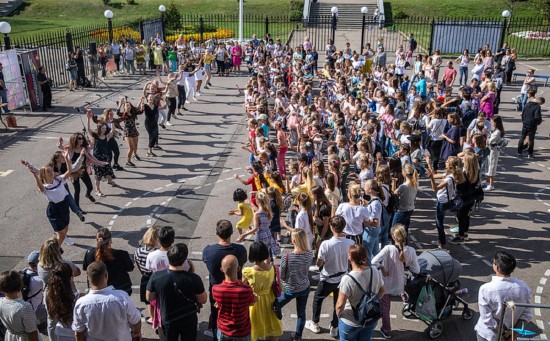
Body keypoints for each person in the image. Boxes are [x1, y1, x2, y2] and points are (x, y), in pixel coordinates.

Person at [305, 216, 354, 338]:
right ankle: (334, 326)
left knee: (318, 298)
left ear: (331, 227)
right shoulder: (351, 243)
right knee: (338, 302)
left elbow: (319, 263)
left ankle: (315, 322)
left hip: (327, 278)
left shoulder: (326, 244)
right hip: (343, 278)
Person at [146, 243, 207, 341]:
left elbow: (149, 298)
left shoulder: (156, 277)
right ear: (184, 260)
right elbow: (203, 300)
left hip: (168, 318)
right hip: (188, 318)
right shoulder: (194, 279)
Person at [371, 224, 419, 339]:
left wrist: (382, 268)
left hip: (386, 285)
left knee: (385, 308)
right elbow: (416, 269)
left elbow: (373, 261)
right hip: (400, 284)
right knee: (402, 289)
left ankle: (386, 330)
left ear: (393, 237)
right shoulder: (411, 251)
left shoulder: (388, 249)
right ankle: (405, 301)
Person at [73, 261, 142, 341]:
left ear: (87, 277)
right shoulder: (122, 297)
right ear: (106, 275)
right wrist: (137, 333)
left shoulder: (81, 304)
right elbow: (135, 320)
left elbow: (78, 332)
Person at [202, 220, 247, 340]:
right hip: (236, 290)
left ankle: (218, 334)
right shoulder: (241, 250)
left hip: (217, 291)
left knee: (217, 315)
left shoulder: (208, 251)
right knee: (238, 315)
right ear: (232, 232)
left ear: (216, 232)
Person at [474, 251, 532, 341]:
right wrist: (512, 333)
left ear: (496, 267)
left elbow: (487, 319)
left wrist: (502, 331)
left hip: (489, 335)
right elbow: (526, 315)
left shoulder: (486, 289)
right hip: (509, 336)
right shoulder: (524, 287)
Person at [21, 152, 75, 246]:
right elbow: (40, 187)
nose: (50, 173)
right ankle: (54, 252)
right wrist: (35, 176)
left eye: (51, 171)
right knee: (62, 234)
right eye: (48, 172)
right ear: (44, 175)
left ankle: (56, 246)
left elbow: (69, 171)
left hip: (64, 206)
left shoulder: (59, 179)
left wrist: (66, 159)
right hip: (54, 210)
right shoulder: (45, 187)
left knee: (65, 229)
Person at [336, 244, 385, 341]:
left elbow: (340, 305)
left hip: (350, 321)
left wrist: (339, 316)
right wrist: (372, 302)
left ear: (350, 258)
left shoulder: (347, 279)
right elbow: (382, 290)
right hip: (370, 318)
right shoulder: (374, 270)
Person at [37, 238, 81, 340]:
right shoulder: (65, 264)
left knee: (52, 321)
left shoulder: (40, 265)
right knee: (71, 318)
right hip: (67, 293)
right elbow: (77, 272)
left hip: (49, 295)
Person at [242, 242, 283, 341]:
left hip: (254, 302)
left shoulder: (248, 271)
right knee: (273, 326)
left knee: (254, 327)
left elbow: (243, 288)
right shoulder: (273, 268)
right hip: (270, 300)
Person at [279, 229, 314, 341]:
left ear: (293, 241)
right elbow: (307, 269)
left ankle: (276, 327)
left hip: (289, 288)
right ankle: (298, 336)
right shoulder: (309, 254)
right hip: (304, 286)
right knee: (301, 312)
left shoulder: (287, 257)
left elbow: (282, 274)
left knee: (276, 305)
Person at [212, 255, 256, 341]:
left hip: (224, 330)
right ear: (238, 268)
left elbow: (218, 302)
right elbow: (252, 301)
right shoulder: (246, 290)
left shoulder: (216, 289)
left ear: (222, 270)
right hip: (242, 331)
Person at [426, 156, 464, 249]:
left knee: (439, 223)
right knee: (439, 221)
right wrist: (429, 164)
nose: (445, 162)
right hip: (446, 200)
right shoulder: (449, 174)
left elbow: (435, 188)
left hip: (442, 202)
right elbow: (434, 175)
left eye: (447, 161)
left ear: (450, 165)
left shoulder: (448, 179)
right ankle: (441, 241)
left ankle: (442, 243)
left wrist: (431, 179)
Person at [82, 227, 134, 295]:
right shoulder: (122, 254)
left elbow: (86, 269)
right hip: (121, 290)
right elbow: (130, 268)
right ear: (110, 240)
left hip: (99, 291)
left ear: (97, 240)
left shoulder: (89, 254)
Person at [0, 270, 39, 341]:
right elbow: (32, 331)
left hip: (10, 336)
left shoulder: (1, 302)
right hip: (23, 338)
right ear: (19, 285)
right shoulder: (25, 307)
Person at [86, 110, 117, 197]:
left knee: (108, 171)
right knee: (98, 175)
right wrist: (88, 118)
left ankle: (110, 181)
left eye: (105, 128)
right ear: (99, 129)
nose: (104, 130)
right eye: (102, 128)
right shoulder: (96, 137)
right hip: (97, 159)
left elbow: (112, 130)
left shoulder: (106, 137)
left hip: (105, 158)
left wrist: (111, 121)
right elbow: (89, 129)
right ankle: (97, 190)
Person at [44, 263, 78, 340]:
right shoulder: (76, 297)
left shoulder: (48, 294)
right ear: (70, 278)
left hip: (58, 334)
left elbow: (51, 317)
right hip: (73, 335)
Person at [133, 226, 158, 325]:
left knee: (148, 300)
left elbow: (137, 263)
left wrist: (142, 272)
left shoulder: (138, 251)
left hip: (145, 277)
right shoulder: (156, 252)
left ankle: (152, 318)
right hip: (155, 276)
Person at [391, 164, 418, 232]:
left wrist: (393, 182)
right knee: (404, 229)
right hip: (410, 209)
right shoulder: (415, 183)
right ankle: (404, 242)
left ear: (405, 173)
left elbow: (393, 193)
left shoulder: (403, 186)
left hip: (402, 210)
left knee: (395, 229)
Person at [517, 89, 543, 158]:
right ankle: (530, 153)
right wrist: (538, 122)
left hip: (525, 123)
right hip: (532, 124)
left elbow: (523, 113)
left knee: (522, 137)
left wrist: (524, 120)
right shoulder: (537, 107)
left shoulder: (527, 104)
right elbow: (537, 117)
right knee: (531, 139)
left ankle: (519, 152)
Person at [485, 115, 505, 191]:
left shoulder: (498, 132)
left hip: (493, 150)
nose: (491, 123)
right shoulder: (496, 130)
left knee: (492, 167)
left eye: (492, 121)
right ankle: (487, 182)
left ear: (496, 122)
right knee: (489, 165)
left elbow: (490, 141)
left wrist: (488, 138)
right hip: (491, 150)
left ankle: (491, 184)